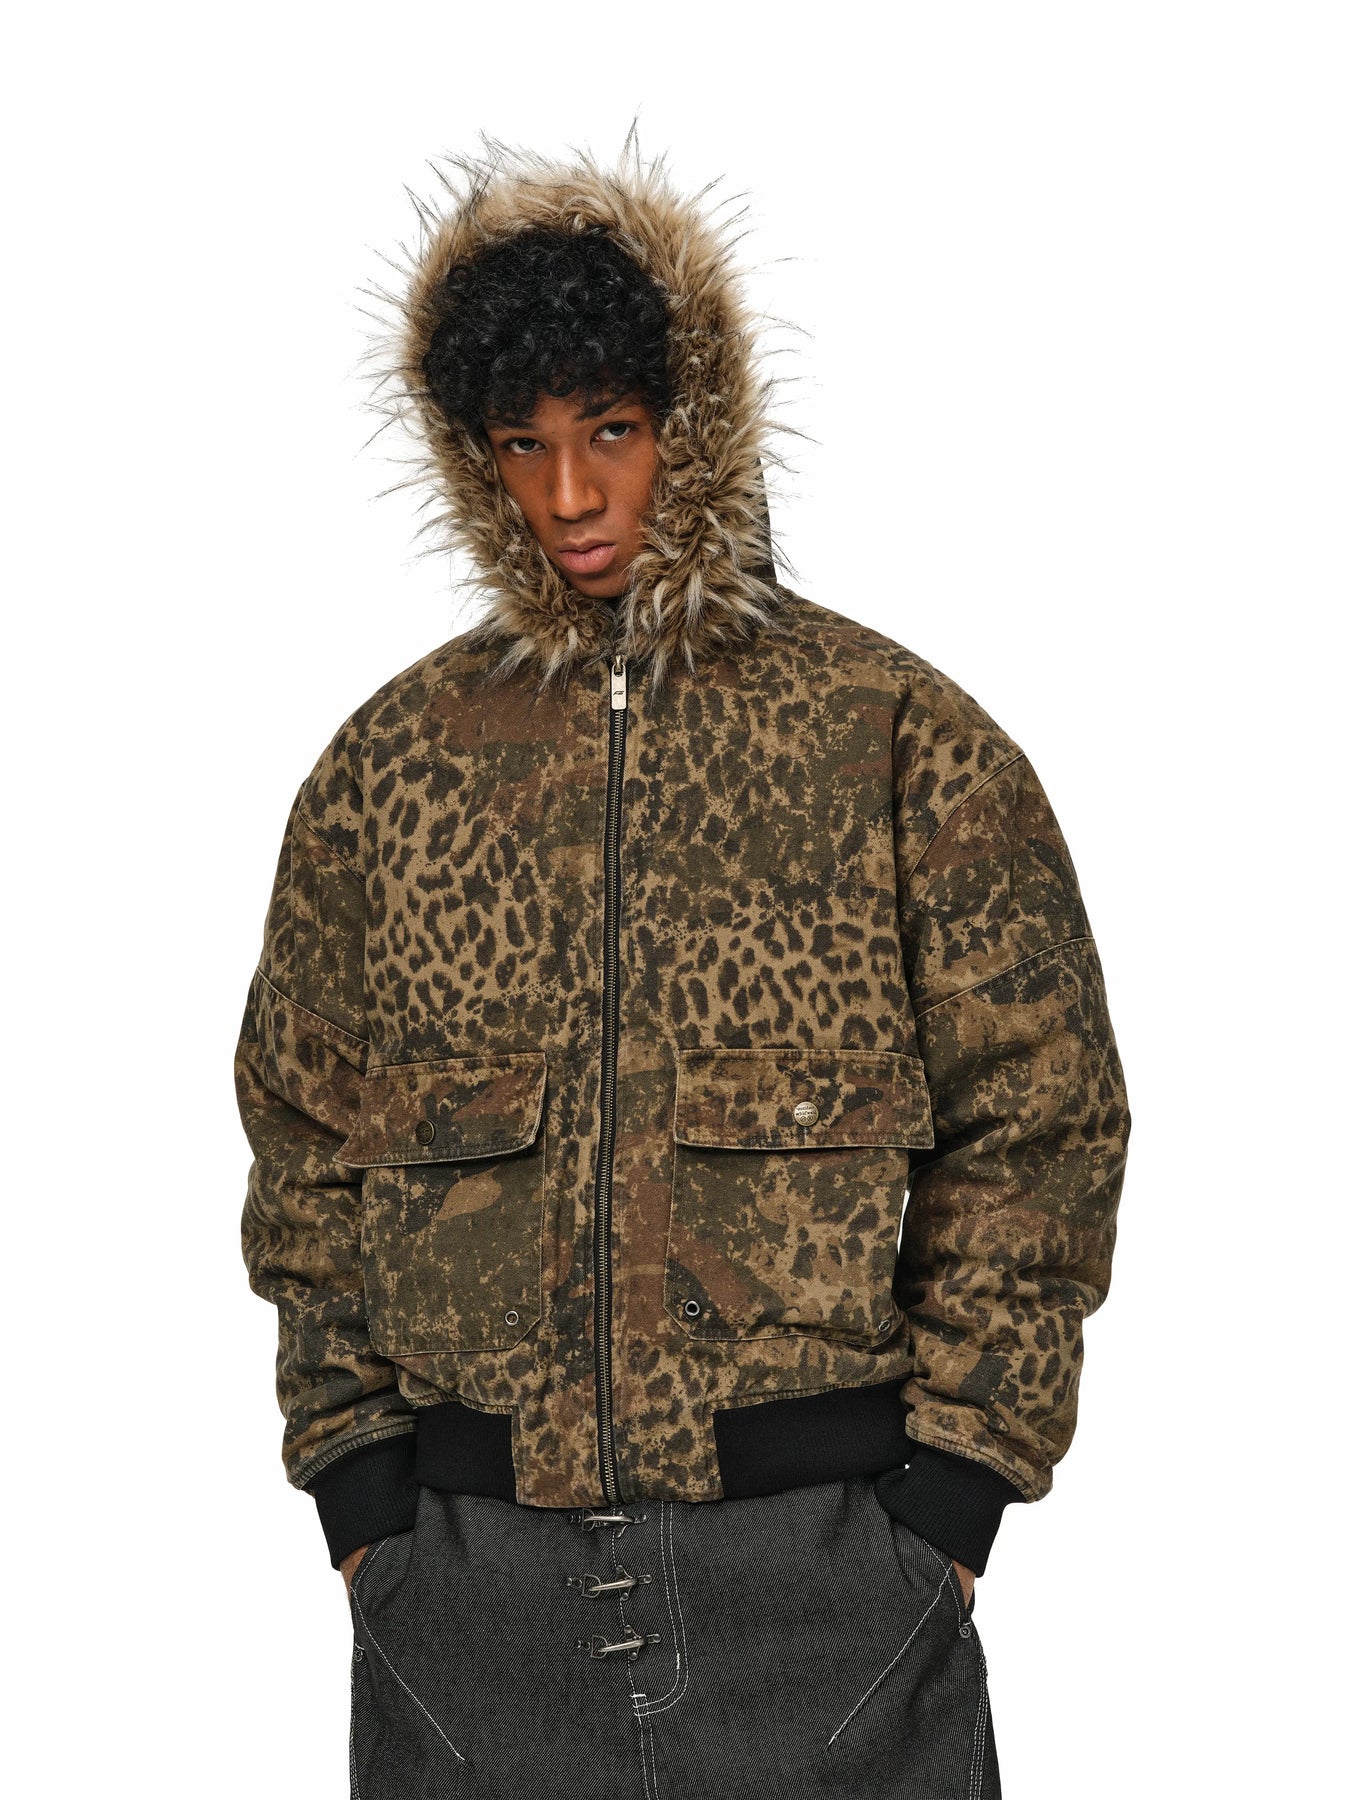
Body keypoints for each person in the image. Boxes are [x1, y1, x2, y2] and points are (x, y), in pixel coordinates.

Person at [236, 140, 1129, 1800]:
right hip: (468, 1601)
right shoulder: (390, 768)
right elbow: (303, 1137)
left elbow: (1041, 1121)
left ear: (695, 425)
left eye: (612, 432)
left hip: (825, 1584)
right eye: (522, 445)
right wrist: (361, 1490)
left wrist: (956, 1492)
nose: (571, 496)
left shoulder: (898, 741)